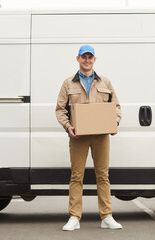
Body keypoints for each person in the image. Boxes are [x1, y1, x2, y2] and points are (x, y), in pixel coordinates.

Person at [55, 44, 122, 231]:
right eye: (83, 57)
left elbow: (115, 106)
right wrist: (68, 127)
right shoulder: (68, 83)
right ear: (78, 59)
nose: (87, 60)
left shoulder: (105, 82)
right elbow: (60, 110)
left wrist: (114, 123)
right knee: (77, 176)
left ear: (94, 60)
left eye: (90, 57)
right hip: (78, 137)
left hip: (101, 136)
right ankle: (74, 217)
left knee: (103, 175)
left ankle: (107, 216)